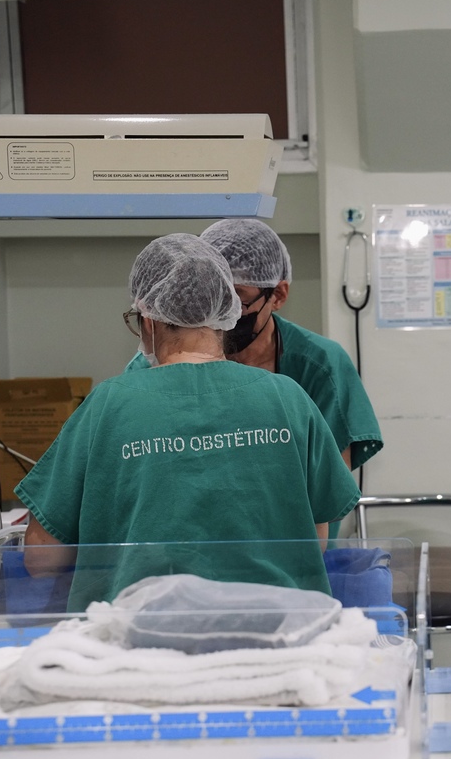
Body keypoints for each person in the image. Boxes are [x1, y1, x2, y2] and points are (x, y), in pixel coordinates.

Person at [20, 234, 361, 609]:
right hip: (276, 632)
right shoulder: (288, 398)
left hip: (140, 636)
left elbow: (42, 558)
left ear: (149, 319)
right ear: (227, 314)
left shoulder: (107, 405)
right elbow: (315, 541)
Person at [126, 219, 382, 541]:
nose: (227, 311)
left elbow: (329, 492)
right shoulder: (146, 371)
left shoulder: (318, 368)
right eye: (214, 295)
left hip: (289, 546)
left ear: (278, 294)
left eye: (237, 297)